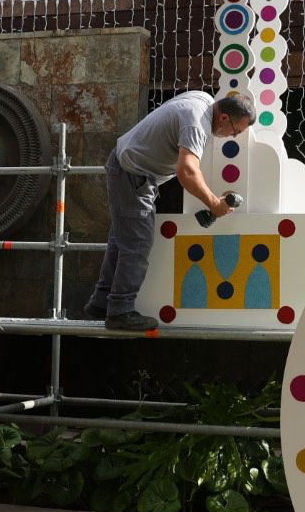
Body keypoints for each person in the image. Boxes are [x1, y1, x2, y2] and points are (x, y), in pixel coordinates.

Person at [83, 90, 256, 331]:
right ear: (224, 118)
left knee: (122, 238)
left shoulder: (203, 99)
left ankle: (101, 302)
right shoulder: (197, 124)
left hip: (129, 166)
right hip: (133, 172)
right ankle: (120, 311)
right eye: (236, 131)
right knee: (138, 243)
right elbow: (187, 172)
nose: (233, 137)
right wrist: (214, 204)